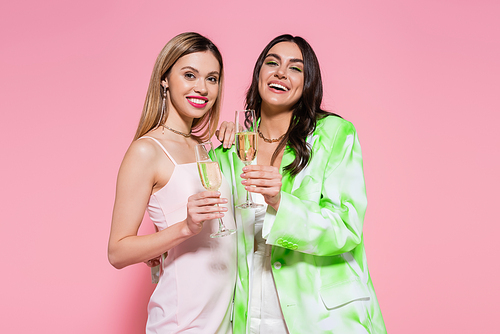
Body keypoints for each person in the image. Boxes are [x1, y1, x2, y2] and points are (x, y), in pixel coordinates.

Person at [216, 34, 387, 333]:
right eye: (272, 63)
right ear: (259, 74)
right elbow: (218, 230)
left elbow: (346, 228)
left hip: (319, 314)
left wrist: (281, 202)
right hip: (251, 307)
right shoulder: (234, 149)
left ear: (308, 83)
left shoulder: (334, 134)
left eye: (295, 68)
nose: (281, 72)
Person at [108, 32, 237, 334]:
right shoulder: (147, 151)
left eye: (212, 78)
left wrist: (233, 135)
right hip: (182, 322)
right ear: (165, 79)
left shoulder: (208, 149)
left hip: (225, 318)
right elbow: (117, 251)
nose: (201, 88)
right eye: (189, 75)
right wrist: (184, 228)